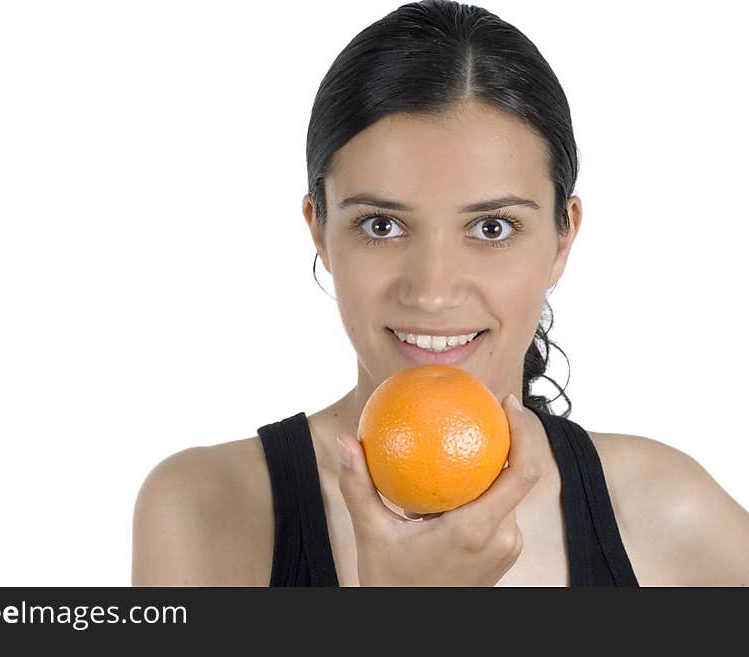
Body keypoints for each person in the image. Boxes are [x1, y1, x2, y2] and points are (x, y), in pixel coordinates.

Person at [131, 0, 749, 586]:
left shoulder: (669, 513)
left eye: (491, 228)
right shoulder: (206, 508)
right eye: (382, 225)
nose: (431, 292)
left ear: (563, 239)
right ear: (319, 230)